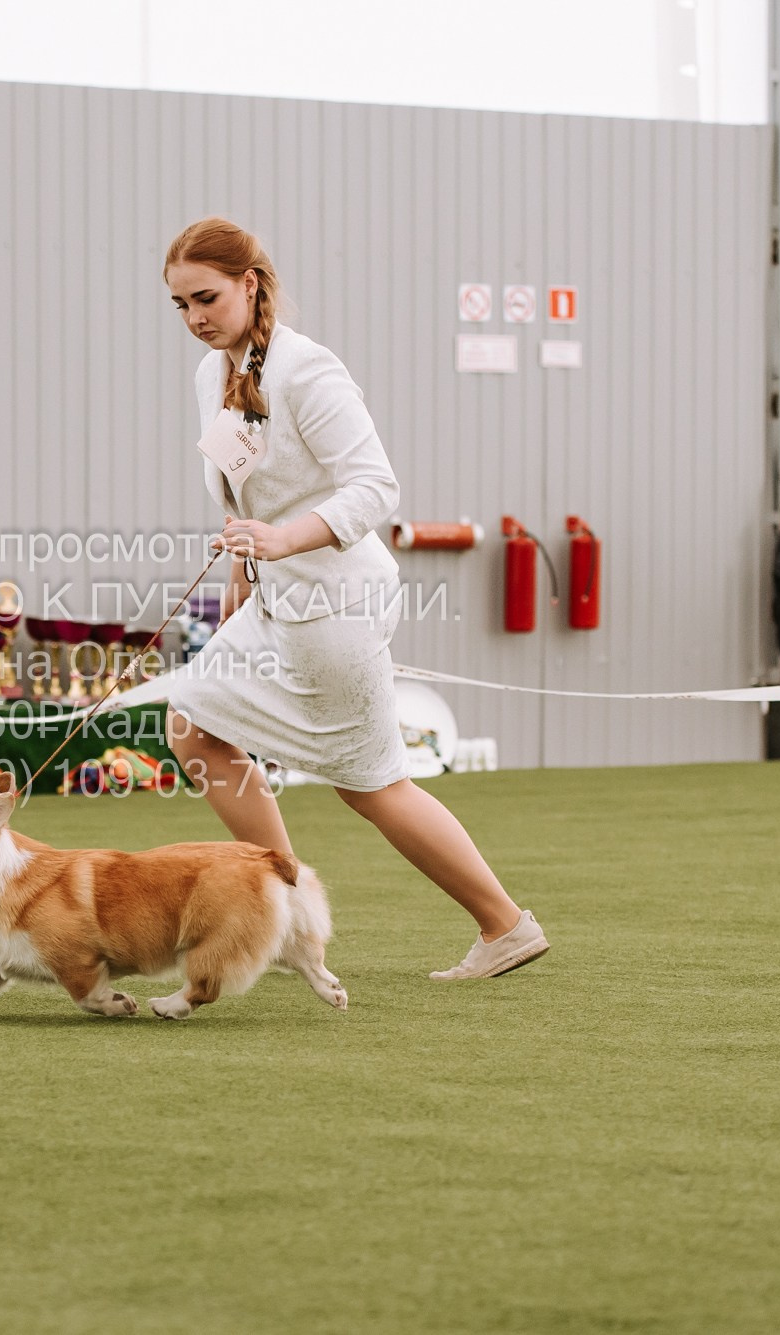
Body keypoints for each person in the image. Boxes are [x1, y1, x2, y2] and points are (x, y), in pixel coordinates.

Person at [160, 217, 549, 980]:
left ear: (250, 283)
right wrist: (246, 562)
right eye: (178, 304)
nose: (194, 317)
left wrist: (280, 541)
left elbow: (376, 488)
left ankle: (504, 925)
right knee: (191, 724)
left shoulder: (309, 371)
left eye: (205, 297)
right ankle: (283, 909)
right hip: (275, 599)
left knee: (372, 786)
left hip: (336, 604)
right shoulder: (214, 372)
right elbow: (247, 487)